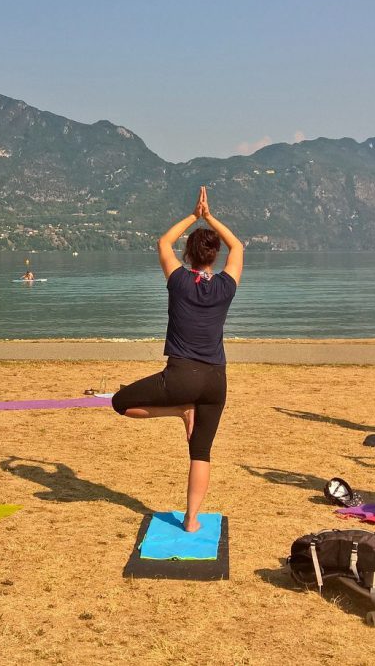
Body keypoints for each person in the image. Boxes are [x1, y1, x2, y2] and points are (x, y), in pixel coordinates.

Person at [111, 186, 243, 533]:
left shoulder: (179, 280)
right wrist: (210, 216)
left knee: (120, 402)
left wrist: (193, 214)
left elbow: (162, 243)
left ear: (188, 253)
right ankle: (191, 519)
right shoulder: (226, 285)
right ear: (214, 256)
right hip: (216, 379)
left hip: (181, 375)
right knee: (201, 452)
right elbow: (238, 247)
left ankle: (178, 411)